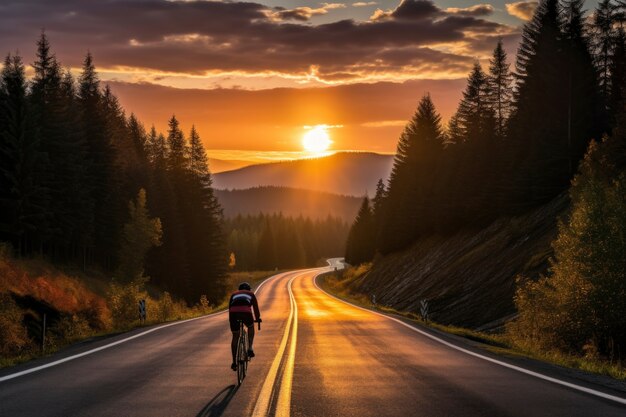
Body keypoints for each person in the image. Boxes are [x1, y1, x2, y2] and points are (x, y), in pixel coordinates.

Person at [228, 282, 261, 371]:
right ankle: (250, 348)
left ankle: (234, 362)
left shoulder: (234, 294)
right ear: (249, 289)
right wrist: (257, 318)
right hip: (246, 312)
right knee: (250, 326)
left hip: (233, 314)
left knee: (235, 336)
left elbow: (230, 308)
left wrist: (231, 321)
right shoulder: (251, 294)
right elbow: (255, 308)